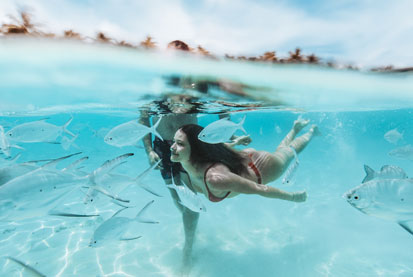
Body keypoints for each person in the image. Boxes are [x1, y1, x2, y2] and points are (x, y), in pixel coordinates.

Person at [139, 94, 250, 274]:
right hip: (162, 146)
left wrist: (230, 133)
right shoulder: (156, 96)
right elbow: (143, 118)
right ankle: (190, 228)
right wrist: (149, 150)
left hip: (190, 146)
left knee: (191, 203)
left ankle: (187, 250)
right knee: (176, 197)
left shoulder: (191, 94)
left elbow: (221, 108)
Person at [170, 118, 320, 203]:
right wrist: (236, 142)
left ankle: (311, 132)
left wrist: (293, 197)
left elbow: (259, 189)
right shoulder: (189, 162)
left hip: (262, 167)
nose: (171, 147)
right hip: (243, 159)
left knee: (288, 152)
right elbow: (214, 148)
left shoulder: (215, 179)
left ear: (195, 149)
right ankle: (295, 129)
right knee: (281, 152)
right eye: (174, 141)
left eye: (180, 143)